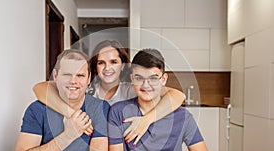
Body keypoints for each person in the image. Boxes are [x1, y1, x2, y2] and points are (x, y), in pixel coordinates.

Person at [33, 40, 186, 145]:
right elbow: (39, 88)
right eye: (101, 63)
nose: (107, 68)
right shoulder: (86, 87)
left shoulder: (133, 88)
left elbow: (178, 95)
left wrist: (146, 119)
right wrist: (71, 114)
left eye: (114, 62)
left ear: (123, 65)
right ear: (95, 66)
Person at [107, 48, 213, 151]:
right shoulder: (118, 112)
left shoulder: (182, 116)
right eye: (139, 78)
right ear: (132, 79)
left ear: (163, 79)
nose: (146, 85)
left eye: (153, 78)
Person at [14, 49, 109, 151]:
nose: (73, 81)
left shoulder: (100, 108)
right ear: (55, 76)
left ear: (89, 79)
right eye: (67, 75)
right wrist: (68, 135)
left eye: (80, 75)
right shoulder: (36, 110)